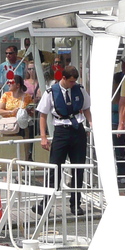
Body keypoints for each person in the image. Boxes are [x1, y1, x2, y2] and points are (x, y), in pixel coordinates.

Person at [37, 66, 92, 214]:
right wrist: (43, 137)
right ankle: (46, 204)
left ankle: (75, 204)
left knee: (78, 168)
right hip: (61, 131)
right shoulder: (51, 92)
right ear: (63, 78)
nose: (73, 84)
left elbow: (86, 108)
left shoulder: (79, 90)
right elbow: (43, 114)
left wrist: (91, 123)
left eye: (75, 81)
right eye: (71, 81)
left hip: (77, 130)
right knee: (55, 168)